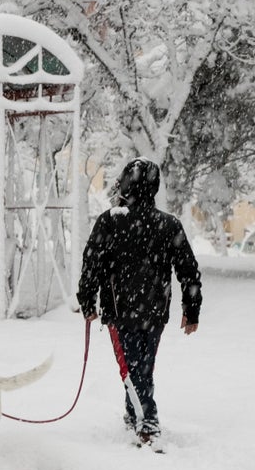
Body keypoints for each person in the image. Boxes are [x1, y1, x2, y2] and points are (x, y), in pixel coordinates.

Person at [77, 157, 202, 445]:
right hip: (155, 311)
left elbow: (91, 264)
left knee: (132, 367)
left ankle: (147, 421)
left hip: (120, 311)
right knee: (141, 366)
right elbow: (188, 270)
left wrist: (87, 300)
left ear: (125, 185)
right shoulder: (168, 225)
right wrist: (191, 309)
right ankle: (135, 413)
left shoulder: (110, 221)